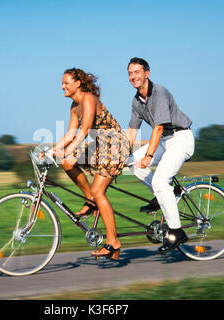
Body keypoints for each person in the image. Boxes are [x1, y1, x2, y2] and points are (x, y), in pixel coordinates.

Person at [53, 68, 130, 260]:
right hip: (99, 144)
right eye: (62, 83)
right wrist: (53, 149)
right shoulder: (74, 106)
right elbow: (71, 133)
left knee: (98, 191)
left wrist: (70, 150)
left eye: (66, 83)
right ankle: (91, 200)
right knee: (67, 162)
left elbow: (85, 129)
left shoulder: (88, 98)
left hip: (114, 145)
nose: (62, 86)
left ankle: (114, 242)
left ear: (77, 84)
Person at [125, 57, 195, 255]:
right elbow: (131, 132)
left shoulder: (160, 92)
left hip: (181, 139)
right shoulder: (136, 101)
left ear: (147, 73)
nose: (133, 76)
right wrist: (120, 155)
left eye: (137, 72)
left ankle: (176, 232)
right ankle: (163, 195)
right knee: (132, 163)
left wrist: (148, 155)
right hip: (165, 141)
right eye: (130, 73)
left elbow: (158, 127)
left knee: (159, 179)